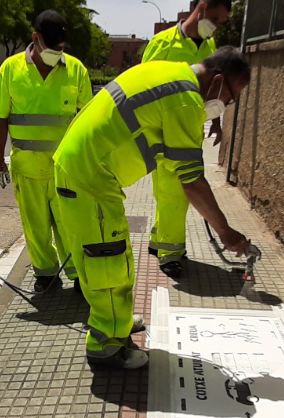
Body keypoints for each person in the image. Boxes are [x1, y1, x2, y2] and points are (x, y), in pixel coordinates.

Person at [53, 47, 252, 370]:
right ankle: (106, 346)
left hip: (88, 170)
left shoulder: (170, 73)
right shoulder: (185, 99)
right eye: (230, 98)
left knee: (116, 255)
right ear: (217, 81)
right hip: (89, 176)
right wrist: (226, 232)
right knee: (107, 262)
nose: (225, 107)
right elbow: (192, 180)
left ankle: (115, 322)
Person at [0, 10, 93, 293]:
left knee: (70, 226)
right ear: (35, 38)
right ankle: (46, 274)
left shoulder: (76, 70)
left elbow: (88, 123)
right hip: (27, 167)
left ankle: (79, 276)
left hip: (66, 169)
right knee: (35, 226)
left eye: (61, 48)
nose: (58, 53)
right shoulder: (10, 70)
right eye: (52, 47)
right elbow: (0, 120)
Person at [140, 0, 232, 279]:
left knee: (169, 193)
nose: (216, 27)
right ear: (201, 9)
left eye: (221, 23)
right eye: (215, 19)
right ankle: (171, 254)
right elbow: (140, 86)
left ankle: (159, 240)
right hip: (161, 131)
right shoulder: (162, 44)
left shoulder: (209, 47)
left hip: (190, 130)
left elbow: (214, 88)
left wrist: (216, 121)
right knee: (175, 193)